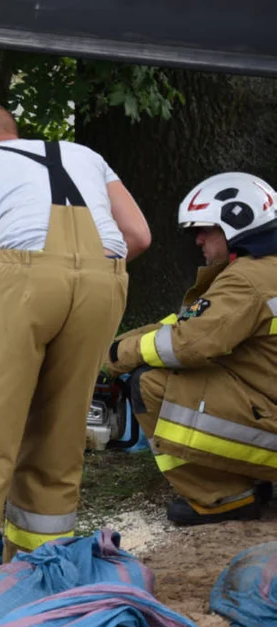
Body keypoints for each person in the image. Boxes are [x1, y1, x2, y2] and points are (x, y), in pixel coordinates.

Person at [0, 102, 151, 611]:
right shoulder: (85, 154)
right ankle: (38, 586)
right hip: (106, 280)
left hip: (21, 277)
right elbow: (140, 237)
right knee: (59, 439)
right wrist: (82, 272)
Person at [104, 172, 277, 526]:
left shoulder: (246, 279)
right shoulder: (263, 271)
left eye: (204, 229)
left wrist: (112, 358)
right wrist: (112, 346)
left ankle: (221, 496)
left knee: (151, 384)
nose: (198, 240)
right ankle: (248, 478)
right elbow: (186, 325)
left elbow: (187, 344)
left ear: (237, 222)